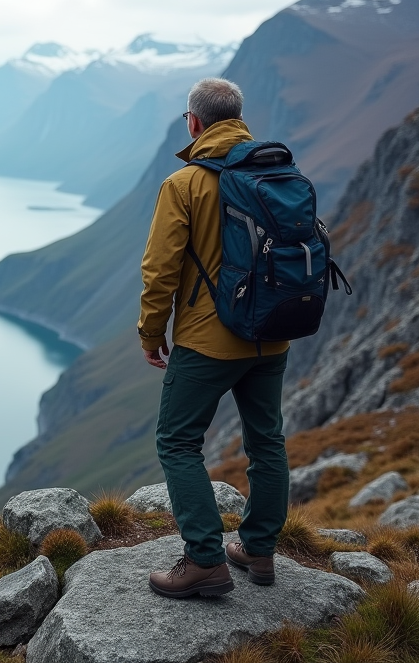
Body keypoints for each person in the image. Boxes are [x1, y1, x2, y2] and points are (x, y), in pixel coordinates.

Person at [138, 77, 290, 598]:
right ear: (239, 119)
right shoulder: (278, 173)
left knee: (177, 442)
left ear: (194, 123)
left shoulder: (184, 185)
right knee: (266, 440)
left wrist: (151, 332)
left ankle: (204, 559)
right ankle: (258, 549)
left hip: (208, 340)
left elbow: (160, 271)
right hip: (272, 335)